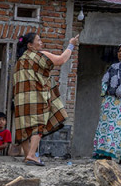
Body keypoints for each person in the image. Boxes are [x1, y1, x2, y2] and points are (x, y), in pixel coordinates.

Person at [13, 32, 78, 166]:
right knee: (38, 124)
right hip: (36, 96)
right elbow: (61, 60)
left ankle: (27, 156)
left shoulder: (19, 61)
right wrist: (71, 45)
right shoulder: (39, 55)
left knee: (23, 125)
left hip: (20, 98)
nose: (41, 42)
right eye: (38, 40)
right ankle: (32, 155)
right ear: (30, 45)